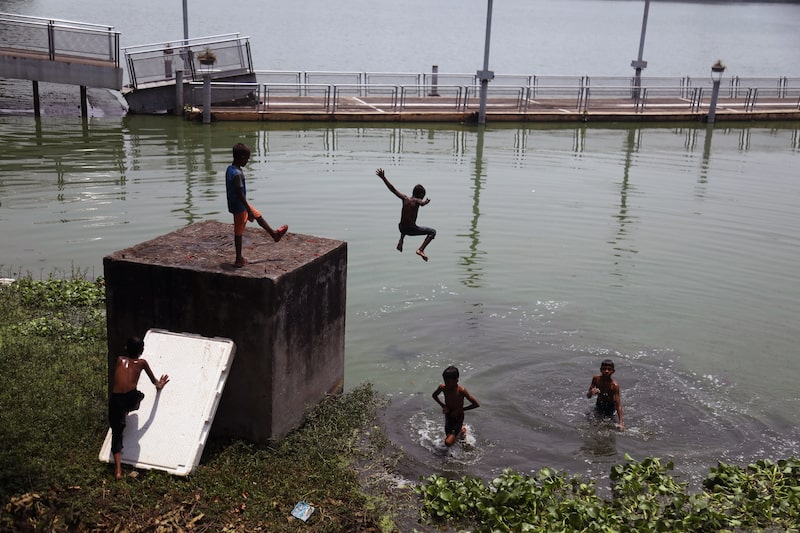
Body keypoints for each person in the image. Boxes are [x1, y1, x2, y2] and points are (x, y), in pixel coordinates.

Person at [109, 336, 169, 479]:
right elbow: (154, 381)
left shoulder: (119, 360)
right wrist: (159, 385)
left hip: (115, 400)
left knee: (116, 434)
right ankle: (129, 408)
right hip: (130, 398)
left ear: (125, 348)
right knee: (139, 396)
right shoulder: (142, 363)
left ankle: (118, 471)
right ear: (141, 350)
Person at [226, 143, 288, 267]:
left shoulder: (230, 169)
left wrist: (248, 209)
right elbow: (239, 193)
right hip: (239, 205)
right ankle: (238, 259)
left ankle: (274, 234)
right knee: (238, 231)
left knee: (258, 215)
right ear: (242, 157)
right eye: (247, 158)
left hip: (237, 202)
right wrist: (248, 210)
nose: (248, 161)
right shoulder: (237, 174)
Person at [375, 168, 436, 261]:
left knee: (405, 222)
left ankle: (401, 241)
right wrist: (426, 202)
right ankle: (421, 249)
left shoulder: (404, 198)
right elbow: (422, 203)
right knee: (432, 232)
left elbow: (393, 189)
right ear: (421, 194)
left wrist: (383, 178)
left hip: (401, 228)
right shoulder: (417, 200)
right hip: (410, 229)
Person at [432, 366, 480, 447]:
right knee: (449, 437)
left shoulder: (461, 390)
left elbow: (476, 404)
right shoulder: (443, 388)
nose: (446, 384)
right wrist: (443, 406)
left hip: (458, 416)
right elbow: (434, 395)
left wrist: (460, 410)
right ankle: (461, 432)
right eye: (445, 381)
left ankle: (461, 431)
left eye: (449, 382)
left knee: (448, 442)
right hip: (448, 415)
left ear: (456, 380)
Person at [586, 358, 624, 430]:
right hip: (599, 403)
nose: (606, 371)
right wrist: (591, 392)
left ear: (613, 371)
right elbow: (588, 396)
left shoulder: (614, 386)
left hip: (610, 406)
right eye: (604, 369)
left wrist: (621, 422)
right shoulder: (596, 379)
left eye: (609, 369)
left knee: (609, 426)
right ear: (600, 370)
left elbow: (618, 405)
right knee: (594, 423)